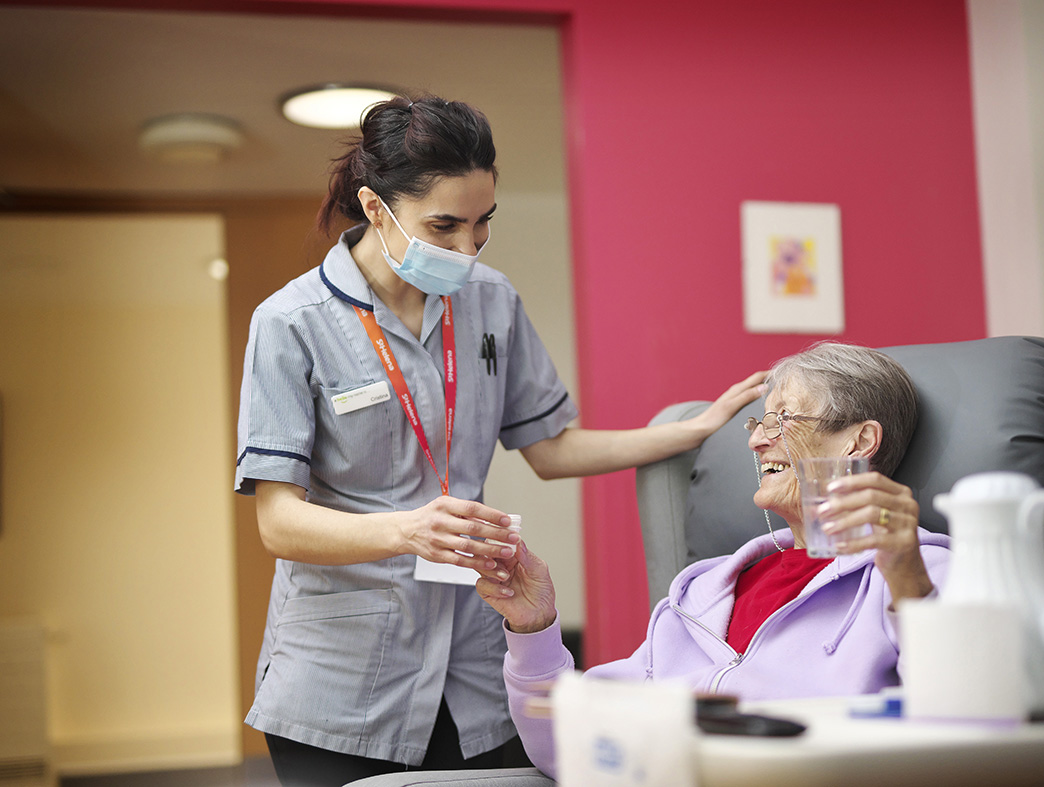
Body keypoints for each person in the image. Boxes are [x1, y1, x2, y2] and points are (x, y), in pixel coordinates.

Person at [233, 93, 764, 786]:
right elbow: (278, 520)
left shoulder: (491, 299)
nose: (467, 247)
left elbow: (551, 448)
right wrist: (407, 531)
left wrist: (682, 430)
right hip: (343, 680)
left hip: (475, 669)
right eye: (444, 225)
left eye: (482, 224)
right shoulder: (290, 323)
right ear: (374, 208)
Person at [476, 342, 953, 778]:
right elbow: (566, 747)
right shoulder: (702, 593)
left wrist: (906, 575)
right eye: (759, 423)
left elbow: (956, 721)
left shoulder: (923, 574)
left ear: (858, 442)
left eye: (783, 419)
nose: (756, 441)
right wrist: (534, 627)